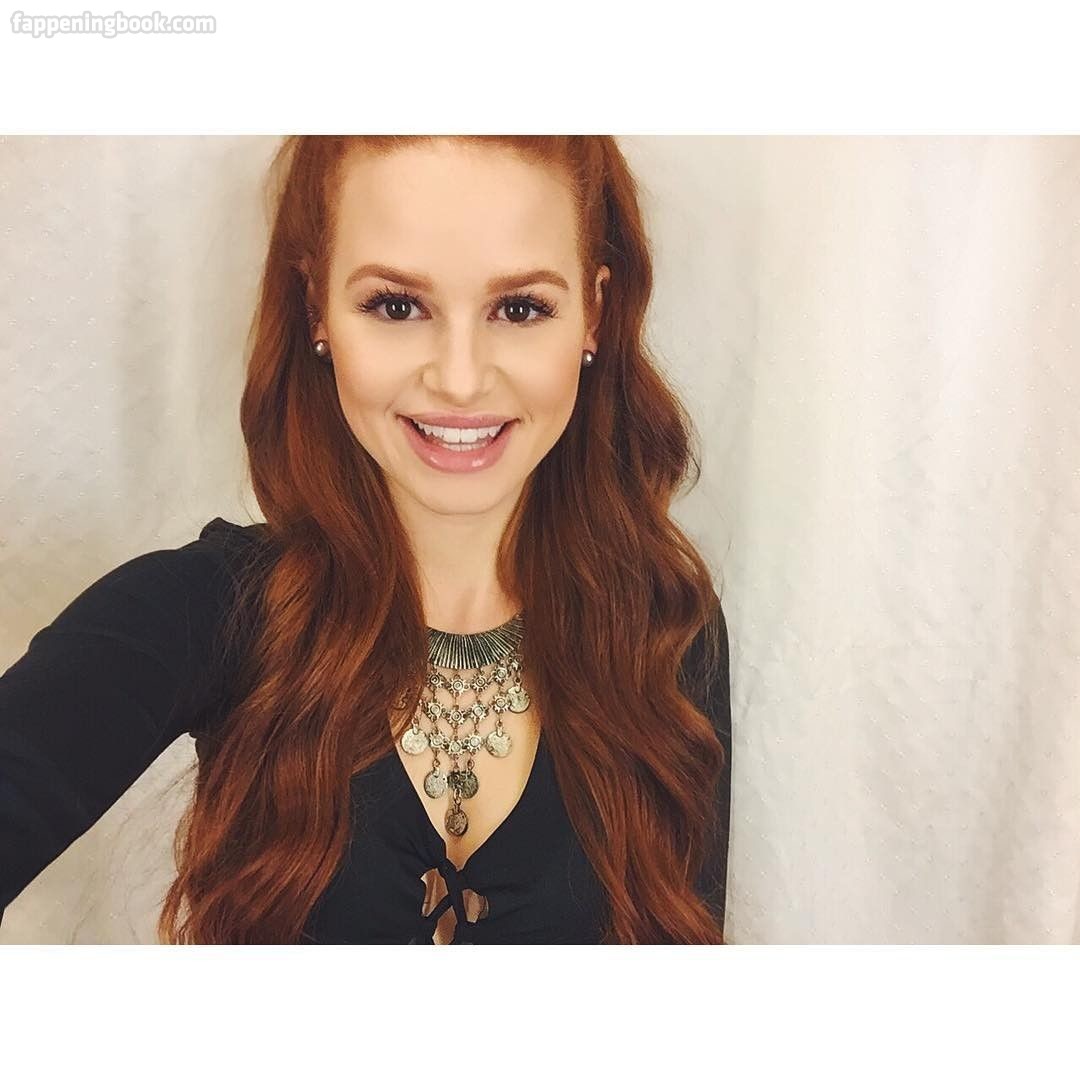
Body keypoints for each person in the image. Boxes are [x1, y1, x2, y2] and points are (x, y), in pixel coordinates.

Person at [0, 135, 732, 945]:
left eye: (520, 308)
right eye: (397, 306)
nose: (460, 379)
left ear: (593, 313)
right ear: (317, 308)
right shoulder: (201, 610)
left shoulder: (664, 624)